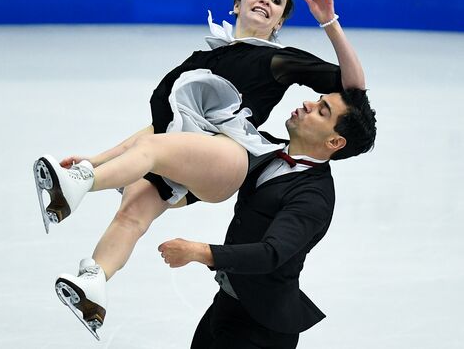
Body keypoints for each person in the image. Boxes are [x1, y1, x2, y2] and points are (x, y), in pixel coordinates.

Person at [33, 0, 367, 338]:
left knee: (153, 151)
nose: (265, 2)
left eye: (277, 1)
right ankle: (94, 285)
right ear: (237, 4)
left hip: (227, 155)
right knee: (132, 211)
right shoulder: (201, 59)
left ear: (279, 21)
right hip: (181, 150)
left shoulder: (278, 60)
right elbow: (157, 127)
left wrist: (329, 22)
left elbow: (354, 88)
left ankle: (75, 187)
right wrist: (94, 160)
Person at [157, 89, 377, 349]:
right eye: (317, 100)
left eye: (322, 110)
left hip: (261, 329)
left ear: (334, 142)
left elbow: (270, 254)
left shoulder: (313, 198)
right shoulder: (266, 148)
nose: (308, 103)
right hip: (227, 305)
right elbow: (214, 174)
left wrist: (198, 251)